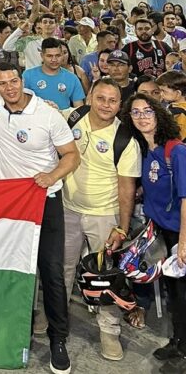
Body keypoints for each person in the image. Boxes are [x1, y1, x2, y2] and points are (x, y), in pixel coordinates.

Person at [0, 63, 80, 374]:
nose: (9, 87)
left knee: (50, 271)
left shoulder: (47, 114)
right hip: (10, 203)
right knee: (9, 268)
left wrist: (51, 176)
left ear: (23, 81)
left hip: (45, 200)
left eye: (13, 81)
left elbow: (72, 154)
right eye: (2, 83)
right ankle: (9, 331)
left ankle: (58, 340)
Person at [61, 78, 141, 361]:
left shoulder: (125, 140)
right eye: (101, 98)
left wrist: (122, 225)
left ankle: (109, 332)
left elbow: (127, 188)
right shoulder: (72, 118)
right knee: (61, 270)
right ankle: (54, 322)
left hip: (104, 216)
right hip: (68, 209)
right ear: (90, 97)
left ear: (120, 105)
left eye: (113, 100)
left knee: (105, 277)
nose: (106, 105)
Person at [121, 93, 186, 374]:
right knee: (174, 294)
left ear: (158, 114)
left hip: (179, 233)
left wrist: (184, 241)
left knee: (183, 295)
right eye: (136, 113)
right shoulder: (147, 151)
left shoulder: (177, 151)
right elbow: (155, 183)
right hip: (160, 231)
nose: (142, 117)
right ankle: (179, 341)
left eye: (147, 111)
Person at [23, 38, 86, 110]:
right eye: (49, 56)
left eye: (58, 55)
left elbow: (79, 109)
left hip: (62, 119)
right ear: (42, 56)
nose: (54, 59)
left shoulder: (72, 78)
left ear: (62, 55)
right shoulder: (28, 76)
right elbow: (21, 104)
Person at [156, 70, 186, 140]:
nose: (161, 94)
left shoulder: (177, 112)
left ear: (178, 93)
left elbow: (179, 138)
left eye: (164, 91)